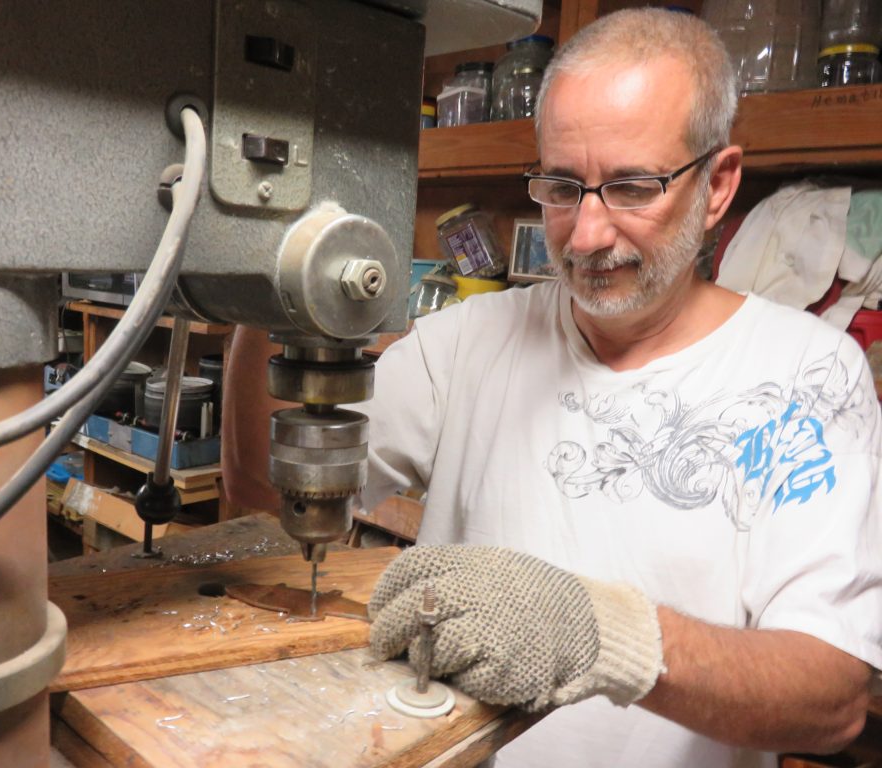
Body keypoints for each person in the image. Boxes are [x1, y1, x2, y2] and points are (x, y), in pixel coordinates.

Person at [357, 8, 881, 768]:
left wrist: (605, 634)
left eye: (635, 187)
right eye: (563, 187)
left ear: (717, 186)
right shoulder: (465, 344)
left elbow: (829, 697)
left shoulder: (807, 376)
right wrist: (255, 299)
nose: (589, 234)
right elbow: (273, 481)